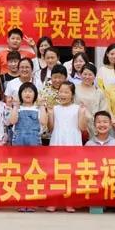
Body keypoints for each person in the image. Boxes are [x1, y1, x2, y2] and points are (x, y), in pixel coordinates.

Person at [46, 81, 87, 213]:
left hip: (72, 143)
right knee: (56, 173)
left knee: (71, 174)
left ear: (72, 94)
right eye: (61, 92)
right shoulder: (55, 108)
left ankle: (70, 202)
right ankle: (54, 201)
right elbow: (51, 128)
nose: (63, 94)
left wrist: (83, 113)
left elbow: (82, 127)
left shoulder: (77, 108)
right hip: (57, 142)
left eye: (66, 92)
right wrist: (50, 114)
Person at [9, 82, 47, 213]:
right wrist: (15, 106)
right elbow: (12, 121)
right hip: (19, 143)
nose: (27, 93)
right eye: (24, 91)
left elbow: (44, 122)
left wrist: (42, 106)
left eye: (30, 91)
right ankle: (20, 201)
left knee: (33, 172)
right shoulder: (17, 109)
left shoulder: (38, 109)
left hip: (34, 143)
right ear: (20, 94)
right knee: (20, 172)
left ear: (35, 94)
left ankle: (32, 201)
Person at [74, 62, 109, 139]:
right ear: (80, 74)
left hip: (94, 128)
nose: (87, 77)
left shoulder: (99, 92)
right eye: (85, 74)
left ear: (94, 76)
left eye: (90, 74)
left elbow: (103, 111)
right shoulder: (74, 89)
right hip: (76, 126)